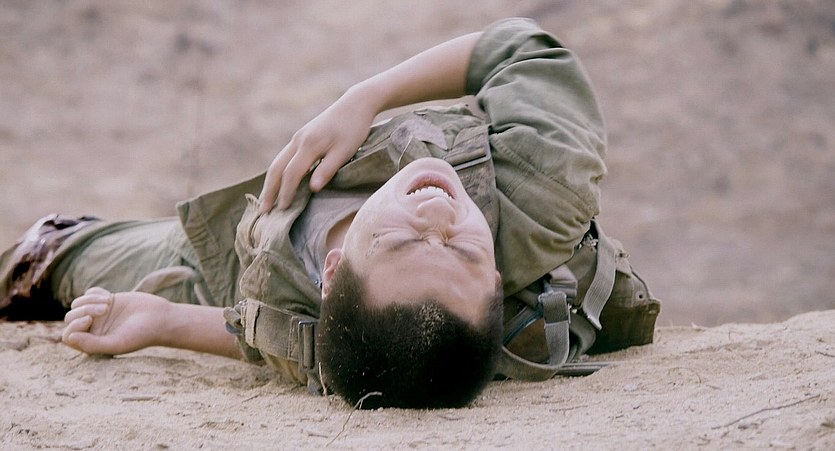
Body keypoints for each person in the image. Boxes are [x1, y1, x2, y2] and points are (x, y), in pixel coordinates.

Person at [1, 18, 649, 409]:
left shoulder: (338, 338)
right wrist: (365, 96)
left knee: (47, 254)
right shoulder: (541, 186)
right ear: (496, 284)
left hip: (228, 268)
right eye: (463, 247)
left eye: (403, 243)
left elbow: (285, 341)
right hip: (256, 231)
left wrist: (165, 320)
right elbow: (520, 49)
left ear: (331, 276)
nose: (437, 216)